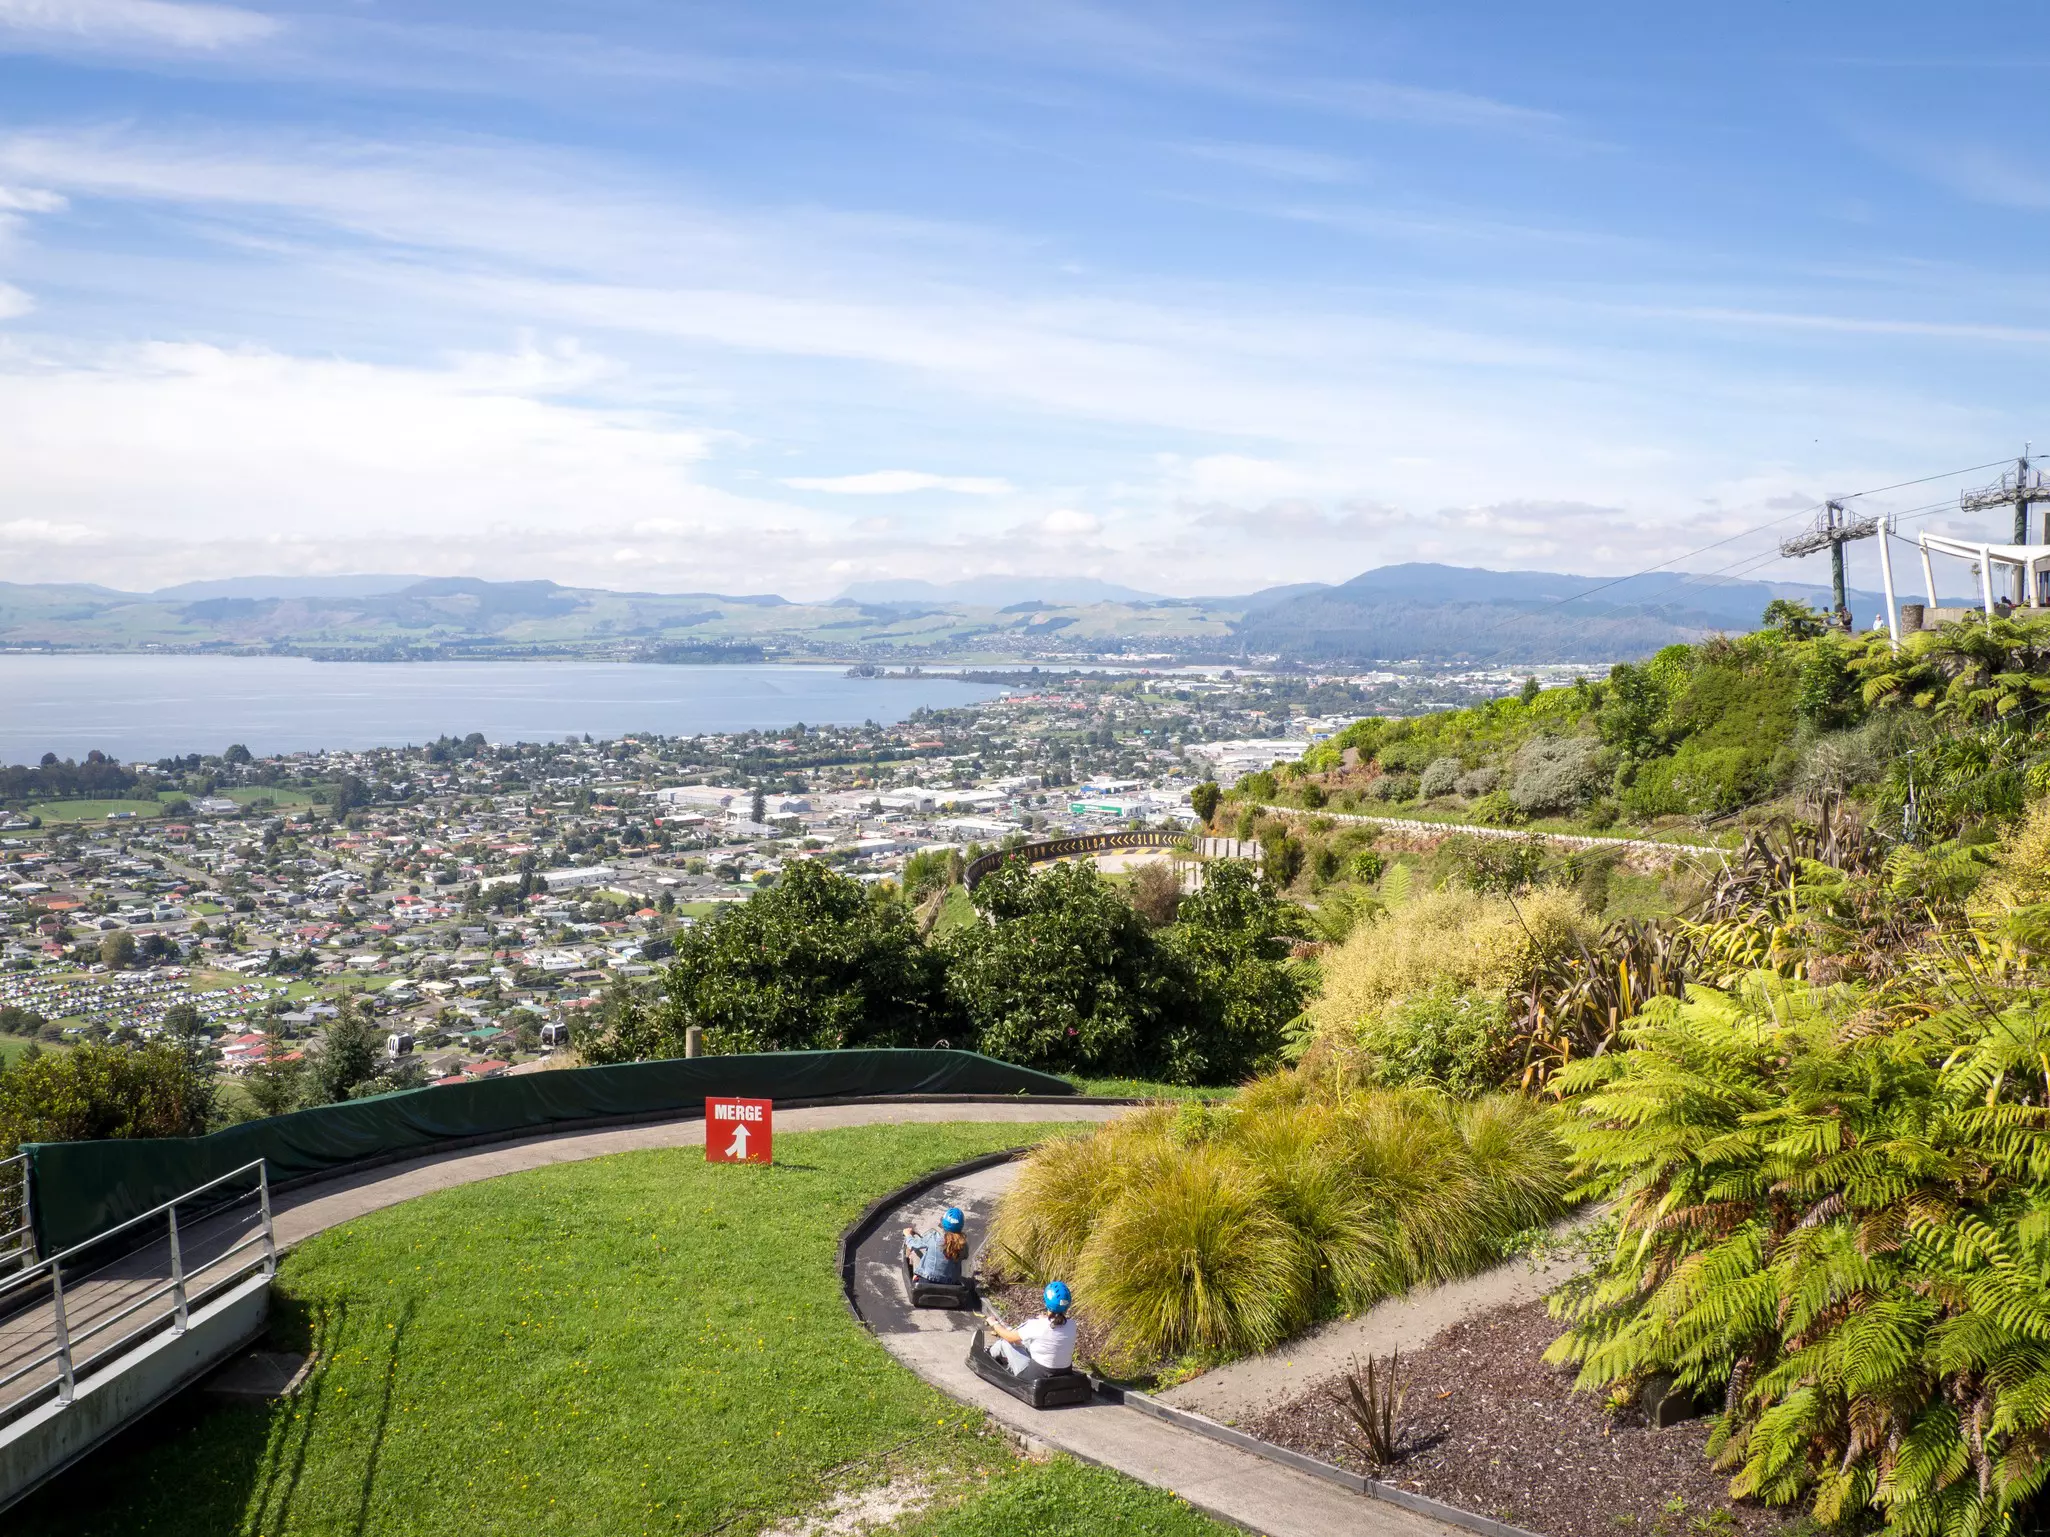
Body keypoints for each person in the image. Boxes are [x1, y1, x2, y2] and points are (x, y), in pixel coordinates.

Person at [985, 1281, 1076, 1375]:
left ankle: (987, 1356)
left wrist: (994, 1323)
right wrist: (1046, 1319)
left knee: (1004, 1343)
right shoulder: (1072, 1325)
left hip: (1037, 1375)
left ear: (1046, 1302)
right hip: (1064, 1372)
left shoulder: (1037, 1325)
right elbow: (1055, 1329)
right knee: (1027, 1342)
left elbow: (1009, 1337)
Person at [903, 1206, 968, 1283]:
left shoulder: (933, 1237)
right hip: (951, 1284)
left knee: (914, 1251)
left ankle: (914, 1275)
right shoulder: (963, 1245)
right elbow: (965, 1256)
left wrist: (908, 1234)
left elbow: (913, 1244)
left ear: (943, 1223)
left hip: (926, 1281)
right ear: (961, 1225)